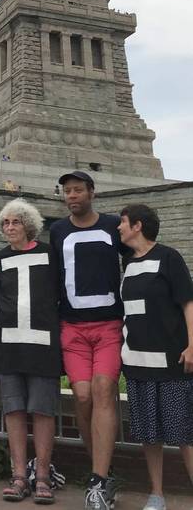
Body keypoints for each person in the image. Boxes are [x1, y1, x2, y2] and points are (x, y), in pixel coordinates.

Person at [49, 171, 124, 510]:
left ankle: (98, 479)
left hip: (108, 325)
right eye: (67, 191)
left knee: (104, 389)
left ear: (92, 192)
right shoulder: (58, 230)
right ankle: (103, 472)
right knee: (81, 396)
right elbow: (49, 274)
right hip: (73, 326)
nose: (72, 196)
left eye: (78, 190)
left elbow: (135, 257)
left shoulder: (112, 226)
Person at [118, 204, 193, 510]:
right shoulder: (126, 261)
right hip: (137, 362)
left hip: (171, 361)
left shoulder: (169, 257)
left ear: (137, 225)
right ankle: (157, 494)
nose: (119, 227)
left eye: (122, 222)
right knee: (150, 435)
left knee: (184, 433)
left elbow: (188, 303)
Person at [0, 199, 61, 504]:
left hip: (42, 341)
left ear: (28, 225)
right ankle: (19, 474)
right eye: (6, 223)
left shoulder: (48, 253)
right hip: (9, 342)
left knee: (43, 410)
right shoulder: (1, 257)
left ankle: (43, 475)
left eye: (15, 222)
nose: (9, 227)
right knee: (14, 410)